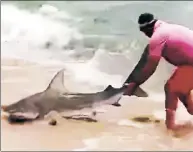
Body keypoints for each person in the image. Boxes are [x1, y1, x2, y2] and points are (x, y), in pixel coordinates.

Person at [124, 13, 193, 131]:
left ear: (146, 29)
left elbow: (151, 67)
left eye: (144, 32)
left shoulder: (158, 37)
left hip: (190, 65)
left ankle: (170, 129)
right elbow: (144, 61)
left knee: (171, 88)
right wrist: (129, 83)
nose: (145, 35)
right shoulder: (166, 29)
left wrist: (135, 84)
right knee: (182, 92)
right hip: (188, 64)